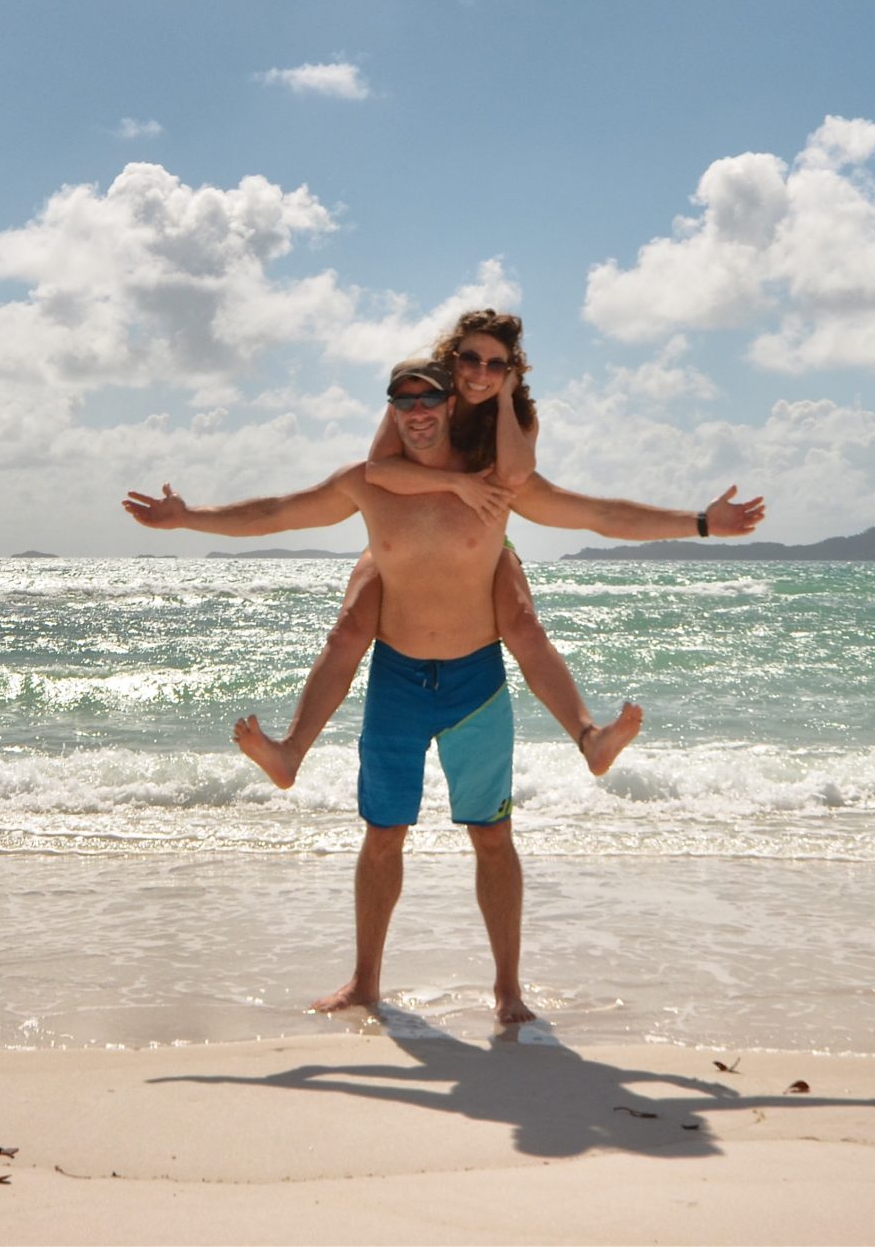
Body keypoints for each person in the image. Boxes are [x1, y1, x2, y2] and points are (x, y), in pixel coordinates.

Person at [123, 357, 765, 1025]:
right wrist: (186, 517)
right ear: (391, 412)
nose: (417, 414)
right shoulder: (368, 485)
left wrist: (699, 523)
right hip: (398, 680)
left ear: (451, 405)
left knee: (492, 837)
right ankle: (364, 982)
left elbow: (598, 515)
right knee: (382, 836)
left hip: (475, 684)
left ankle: (508, 990)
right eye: (403, 403)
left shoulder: (496, 484)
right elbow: (276, 514)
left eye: (429, 401)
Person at [232, 310, 639, 792]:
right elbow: (379, 471)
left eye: (496, 365)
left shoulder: (511, 411)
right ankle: (290, 751)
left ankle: (588, 737)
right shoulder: (417, 392)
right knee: (347, 630)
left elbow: (512, 479)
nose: (480, 374)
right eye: (470, 359)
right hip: (401, 536)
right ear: (452, 358)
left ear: (510, 370)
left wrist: (506, 401)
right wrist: (454, 482)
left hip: (478, 537)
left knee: (524, 624)